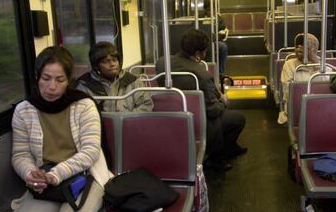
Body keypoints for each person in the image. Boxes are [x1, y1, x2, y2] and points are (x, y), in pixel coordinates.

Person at [6, 46, 113, 212]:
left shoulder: (84, 106)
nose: (51, 87)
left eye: (59, 80)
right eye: (46, 79)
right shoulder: (24, 110)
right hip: (44, 183)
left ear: (69, 81)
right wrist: (30, 174)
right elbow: (20, 154)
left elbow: (89, 152)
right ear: (36, 78)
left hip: (86, 178)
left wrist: (54, 174)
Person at [156, 29, 246, 172]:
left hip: (169, 118)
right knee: (238, 119)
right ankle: (215, 158)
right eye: (204, 51)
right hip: (198, 122)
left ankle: (230, 147)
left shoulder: (162, 63)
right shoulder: (202, 74)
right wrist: (223, 101)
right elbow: (212, 111)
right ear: (198, 54)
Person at [76, 42, 153, 112]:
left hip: (130, 125)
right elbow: (81, 113)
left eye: (114, 60)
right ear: (96, 66)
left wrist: (125, 119)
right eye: (105, 61)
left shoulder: (134, 82)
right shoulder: (84, 85)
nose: (112, 64)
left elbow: (146, 106)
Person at [278, 33, 327, 125]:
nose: (298, 48)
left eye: (304, 46)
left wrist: (315, 64)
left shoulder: (324, 66)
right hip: (297, 105)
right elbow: (288, 92)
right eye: (297, 46)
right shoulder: (289, 65)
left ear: (313, 49)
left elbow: (326, 88)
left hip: (320, 104)